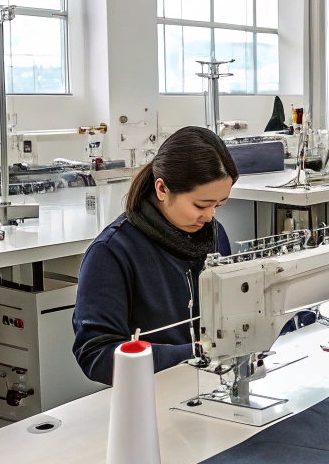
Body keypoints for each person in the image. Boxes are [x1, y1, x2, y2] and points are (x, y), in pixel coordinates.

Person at [72, 126, 237, 385]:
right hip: (148, 396)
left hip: (211, 384)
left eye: (219, 205)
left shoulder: (214, 235)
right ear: (162, 189)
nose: (210, 216)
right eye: (201, 205)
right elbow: (96, 355)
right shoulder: (112, 253)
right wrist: (193, 354)